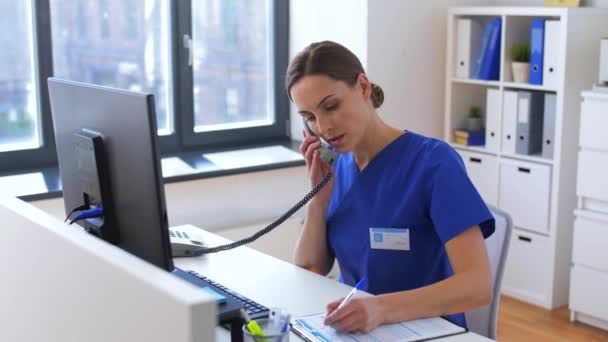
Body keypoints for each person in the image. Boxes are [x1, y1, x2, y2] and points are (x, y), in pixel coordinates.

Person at [287, 41, 495, 334]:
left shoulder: (434, 163)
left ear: (362, 87)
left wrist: (381, 309)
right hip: (357, 329)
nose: (323, 127)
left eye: (330, 106)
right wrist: (318, 201)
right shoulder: (337, 170)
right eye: (309, 117)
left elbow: (477, 286)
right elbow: (310, 270)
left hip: (427, 332)